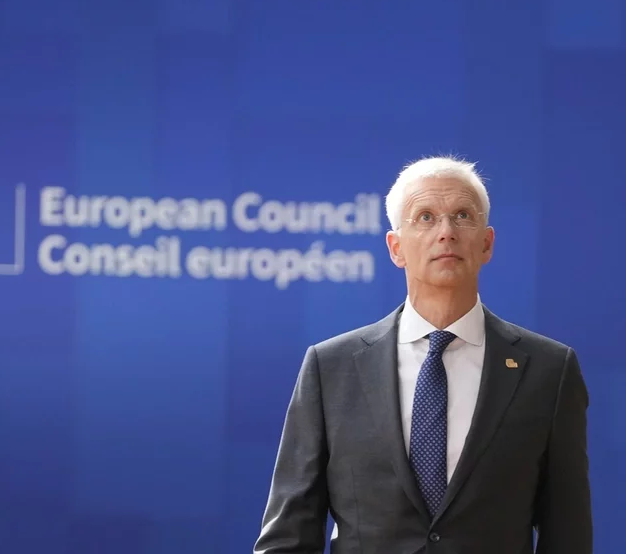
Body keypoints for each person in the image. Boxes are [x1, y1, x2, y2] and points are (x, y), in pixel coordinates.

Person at [253, 156, 592, 553]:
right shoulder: (331, 369)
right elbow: (289, 535)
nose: (446, 232)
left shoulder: (550, 371)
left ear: (486, 243)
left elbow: (568, 534)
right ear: (396, 248)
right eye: (425, 217)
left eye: (463, 216)